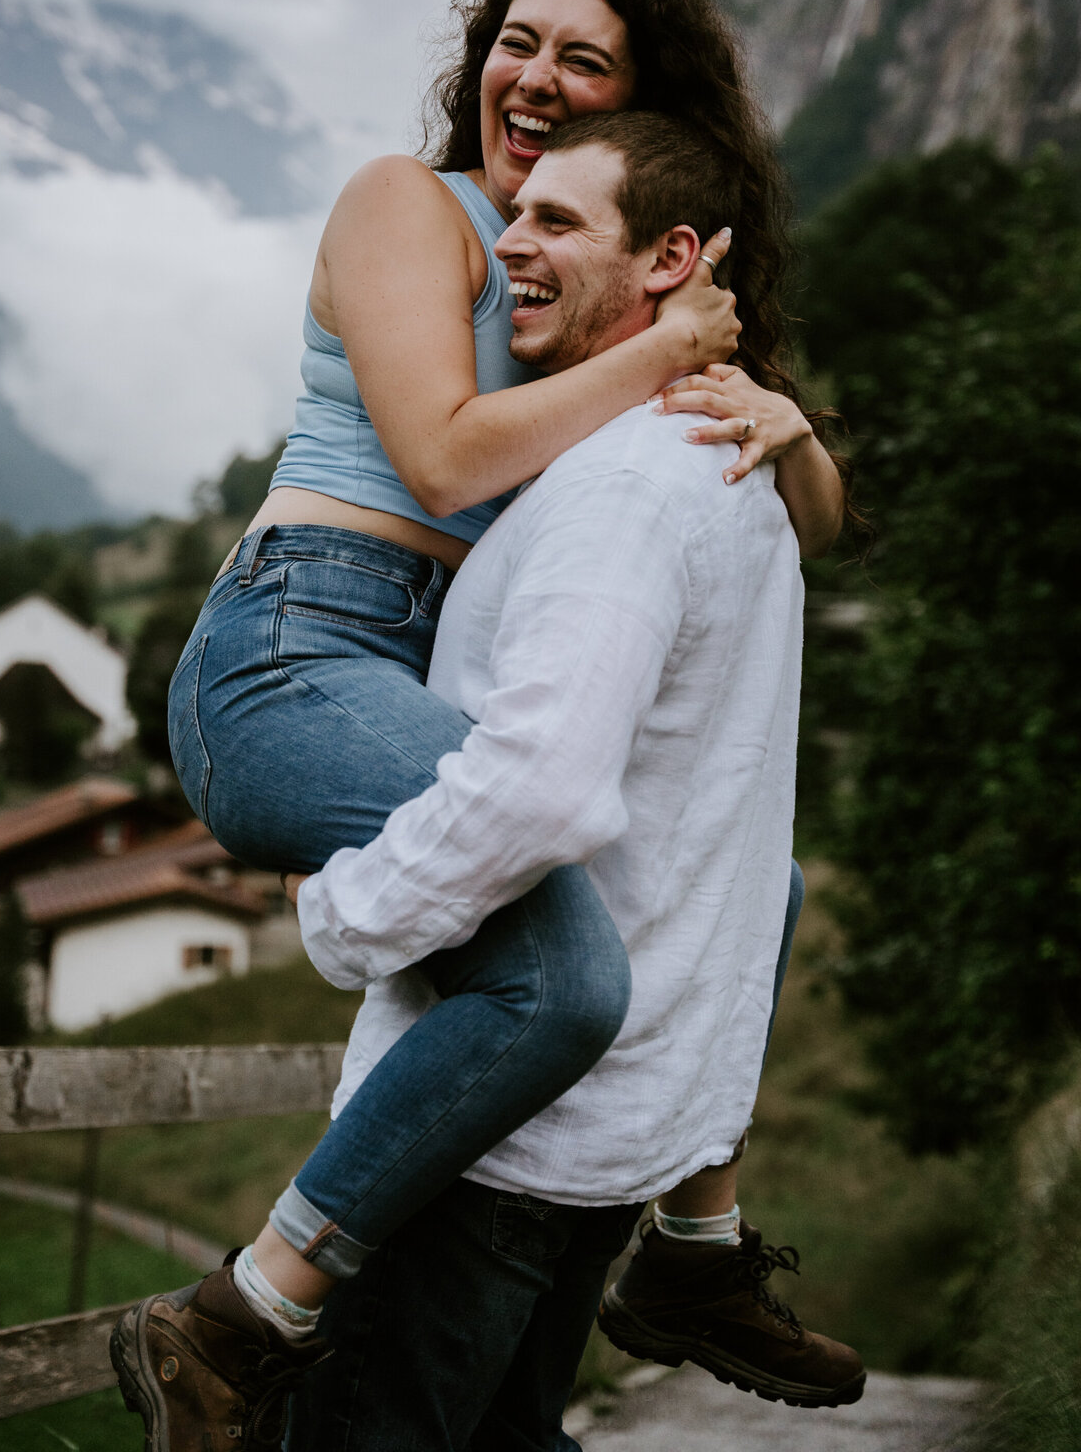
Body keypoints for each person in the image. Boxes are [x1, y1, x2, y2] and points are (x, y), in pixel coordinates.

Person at [110, 0, 851, 1448]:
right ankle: (243, 1318)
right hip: (299, 649)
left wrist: (785, 423)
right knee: (565, 974)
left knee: (753, 881)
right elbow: (446, 460)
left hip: (428, 664)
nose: (537, 76)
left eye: (585, 59)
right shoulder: (417, 208)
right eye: (519, 39)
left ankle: (695, 1245)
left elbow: (811, 526)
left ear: (636, 110)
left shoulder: (592, 275)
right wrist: (664, 355)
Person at [276, 110, 863, 1444]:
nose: (507, 245)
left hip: (492, 1150)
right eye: (514, 213)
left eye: (554, 220)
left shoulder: (624, 491)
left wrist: (340, 916)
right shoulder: (731, 468)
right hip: (607, 1135)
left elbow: (539, 788)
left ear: (670, 259)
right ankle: (696, 1259)